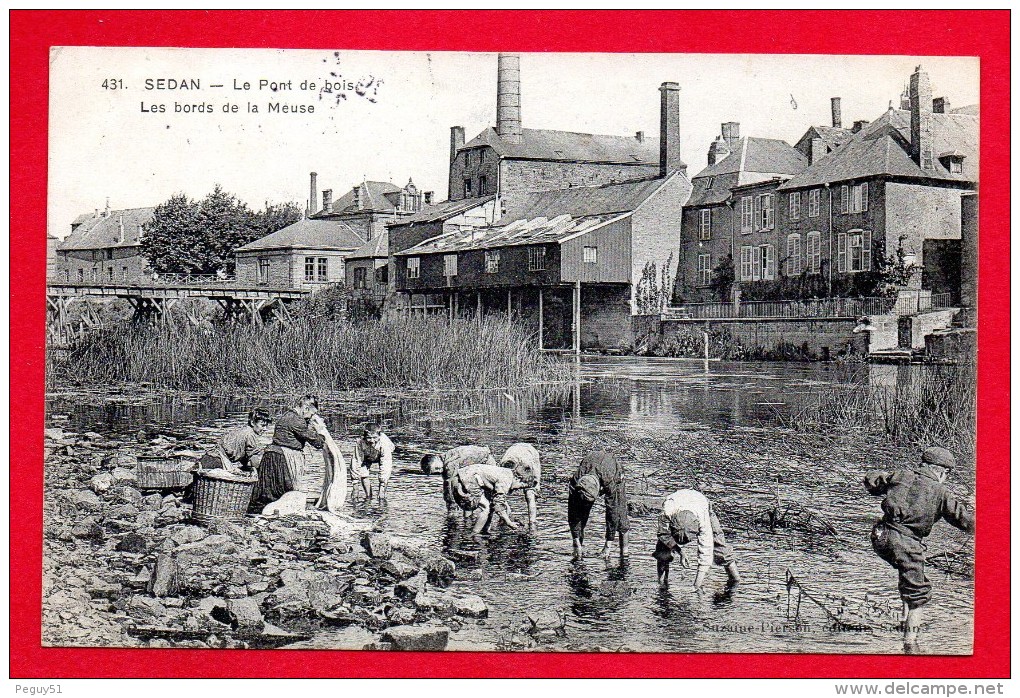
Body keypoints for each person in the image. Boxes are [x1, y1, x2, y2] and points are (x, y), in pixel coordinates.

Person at [864, 446, 975, 652]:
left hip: (880, 536)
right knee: (919, 594)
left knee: (906, 573)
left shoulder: (901, 474)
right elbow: (966, 521)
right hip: (905, 542)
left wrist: (879, 486)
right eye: (946, 475)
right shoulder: (941, 491)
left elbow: (872, 480)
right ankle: (910, 644)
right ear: (942, 472)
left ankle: (903, 622)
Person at [250, 395, 326, 511]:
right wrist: (320, 431)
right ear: (305, 408)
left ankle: (264, 511)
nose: (310, 418)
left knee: (268, 492)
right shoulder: (297, 420)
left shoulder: (286, 415)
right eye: (311, 414)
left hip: (272, 455)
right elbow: (317, 443)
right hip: (281, 459)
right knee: (284, 491)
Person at [654, 488, 740, 590]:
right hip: (677, 499)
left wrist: (697, 585)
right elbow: (663, 534)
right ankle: (661, 584)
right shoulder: (667, 511)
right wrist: (680, 552)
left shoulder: (703, 520)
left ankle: (736, 581)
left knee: (718, 546)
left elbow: (706, 553)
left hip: (701, 503)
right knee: (663, 549)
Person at [567, 450, 629, 561]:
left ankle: (624, 554)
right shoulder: (576, 480)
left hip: (614, 472)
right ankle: (578, 548)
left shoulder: (610, 479)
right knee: (579, 511)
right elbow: (572, 511)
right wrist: (575, 540)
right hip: (592, 466)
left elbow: (612, 512)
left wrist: (607, 546)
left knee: (620, 517)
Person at [452, 462, 533, 535]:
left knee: (488, 506)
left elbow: (494, 505)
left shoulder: (505, 473)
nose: (518, 490)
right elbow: (498, 505)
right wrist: (509, 523)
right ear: (517, 478)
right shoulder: (507, 480)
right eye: (521, 486)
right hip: (465, 480)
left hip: (458, 478)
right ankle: (473, 536)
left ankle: (483, 531)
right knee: (485, 508)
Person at [419, 445, 497, 516]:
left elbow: (449, 488)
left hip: (486, 463)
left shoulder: (450, 465)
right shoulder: (444, 459)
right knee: (466, 492)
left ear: (437, 458)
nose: (439, 471)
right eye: (435, 472)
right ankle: (470, 516)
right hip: (480, 459)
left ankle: (498, 516)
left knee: (490, 495)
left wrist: (451, 508)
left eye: (437, 468)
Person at [198, 407, 272, 475]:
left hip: (209, 457)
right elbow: (254, 460)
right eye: (262, 425)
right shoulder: (250, 435)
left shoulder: (242, 430)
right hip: (217, 461)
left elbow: (244, 456)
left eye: (266, 426)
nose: (265, 429)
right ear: (252, 423)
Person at [499, 443, 542, 532]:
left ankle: (532, 523)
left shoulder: (527, 464)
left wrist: (536, 485)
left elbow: (533, 478)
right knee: (501, 491)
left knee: (530, 494)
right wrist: (509, 517)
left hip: (530, 452)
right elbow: (499, 494)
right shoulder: (502, 466)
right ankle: (505, 517)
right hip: (513, 450)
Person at [350, 423, 396, 501]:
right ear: (364, 437)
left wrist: (382, 486)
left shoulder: (384, 443)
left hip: (381, 454)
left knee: (382, 492)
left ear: (379, 436)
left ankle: (381, 496)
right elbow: (356, 461)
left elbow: (385, 466)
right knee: (363, 473)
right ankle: (368, 497)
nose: (372, 441)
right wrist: (355, 485)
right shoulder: (360, 443)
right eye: (369, 438)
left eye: (374, 437)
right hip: (366, 455)